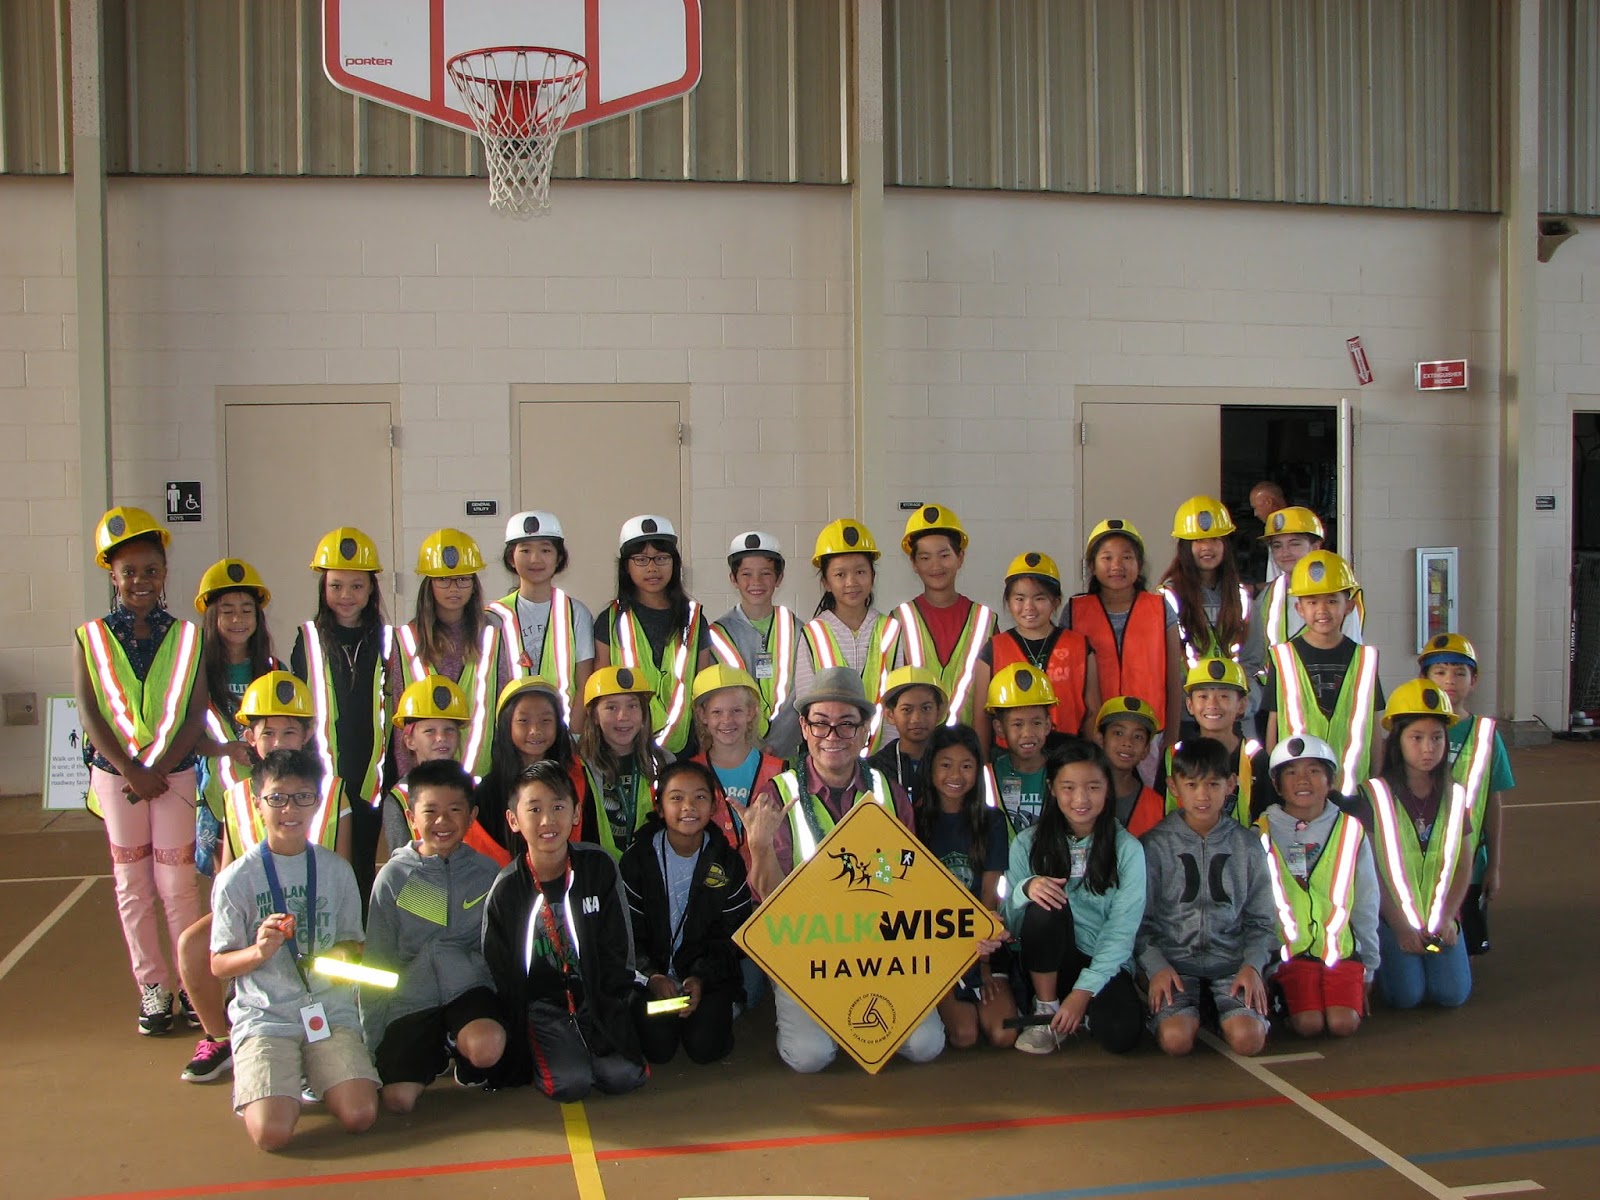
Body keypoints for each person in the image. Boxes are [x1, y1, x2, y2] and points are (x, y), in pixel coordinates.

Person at [744, 667, 945, 1072]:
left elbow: (912, 882)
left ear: (865, 729)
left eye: (847, 724)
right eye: (820, 723)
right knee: (811, 1057)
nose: (832, 735)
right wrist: (760, 848)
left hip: (879, 949)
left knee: (927, 1046)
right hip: (806, 952)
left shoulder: (889, 792)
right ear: (804, 727)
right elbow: (769, 900)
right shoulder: (777, 795)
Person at [75, 506, 207, 1037]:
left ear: (165, 573)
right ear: (112, 576)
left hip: (174, 775)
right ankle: (153, 986)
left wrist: (161, 769)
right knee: (133, 885)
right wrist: (131, 771)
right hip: (118, 778)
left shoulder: (189, 636)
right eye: (128, 571)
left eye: (151, 569)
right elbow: (89, 711)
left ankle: (192, 983)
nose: (140, 580)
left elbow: (196, 712)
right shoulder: (90, 637)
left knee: (177, 885)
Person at [209, 747, 379, 1151]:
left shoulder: (336, 870)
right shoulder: (237, 879)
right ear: (258, 804)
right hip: (266, 1018)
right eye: (277, 798)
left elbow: (354, 942)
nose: (290, 809)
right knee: (271, 1134)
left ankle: (310, 1071)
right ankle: (273, 1075)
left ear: (317, 803)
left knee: (360, 1115)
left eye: (303, 797)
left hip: (328, 1012)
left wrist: (342, 956)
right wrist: (258, 952)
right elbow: (218, 964)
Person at [176, 671, 330, 1085]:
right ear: (250, 737)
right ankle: (219, 1037)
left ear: (307, 735)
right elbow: (228, 872)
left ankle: (313, 1035)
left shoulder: (329, 791)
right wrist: (236, 918)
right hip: (252, 908)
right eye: (268, 733)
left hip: (311, 908)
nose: (278, 743)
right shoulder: (235, 797)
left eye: (289, 732)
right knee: (193, 944)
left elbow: (341, 869)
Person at [482, 760, 648, 1101]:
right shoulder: (507, 889)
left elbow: (620, 945)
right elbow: (498, 965)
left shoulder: (598, 867)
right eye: (534, 809)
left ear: (576, 813)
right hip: (542, 1007)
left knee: (622, 1076)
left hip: (597, 999)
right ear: (514, 820)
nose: (547, 820)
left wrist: (613, 1003)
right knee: (571, 1083)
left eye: (558, 807)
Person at [362, 760, 507, 1112]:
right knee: (398, 1101)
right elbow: (377, 959)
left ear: (471, 817)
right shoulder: (394, 878)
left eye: (454, 810)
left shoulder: (487, 872)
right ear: (411, 817)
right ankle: (437, 1046)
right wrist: (371, 1040)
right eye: (430, 811)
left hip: (469, 987)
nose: (442, 821)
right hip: (412, 996)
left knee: (487, 1047)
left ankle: (462, 1045)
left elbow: (499, 951)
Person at [1003, 742, 1146, 1056]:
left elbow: (1121, 931)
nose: (1081, 799)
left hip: (1102, 959)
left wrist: (1083, 992)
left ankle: (1079, 1009)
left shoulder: (1128, 849)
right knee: (1045, 904)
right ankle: (1046, 1008)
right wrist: (1025, 890)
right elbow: (1010, 926)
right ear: (1052, 789)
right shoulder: (1027, 843)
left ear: (1107, 789)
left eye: (1093, 787)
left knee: (1121, 1035)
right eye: (1068, 787)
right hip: (1048, 962)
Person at [1138, 738, 1277, 1058]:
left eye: (1213, 784)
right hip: (1174, 964)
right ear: (1173, 786)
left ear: (1231, 785)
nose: (1202, 795)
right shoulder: (1154, 845)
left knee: (1249, 1041)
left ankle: (1220, 1008)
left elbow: (1262, 920)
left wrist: (1253, 965)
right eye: (1191, 784)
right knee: (1176, 1041)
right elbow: (1139, 921)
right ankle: (1188, 1008)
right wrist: (1155, 966)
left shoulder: (1246, 845)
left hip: (1231, 962)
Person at [621, 760, 754, 1065]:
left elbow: (733, 935)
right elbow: (626, 933)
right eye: (676, 798)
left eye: (700, 797)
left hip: (706, 976)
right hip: (651, 978)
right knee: (658, 1049)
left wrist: (700, 977)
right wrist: (652, 976)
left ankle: (717, 1009)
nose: (688, 807)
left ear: (714, 806)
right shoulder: (637, 859)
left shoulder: (727, 862)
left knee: (706, 1048)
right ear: (659, 807)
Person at [1356, 679, 1475, 1010]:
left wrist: (1447, 917)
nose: (1428, 748)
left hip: (1439, 916)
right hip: (1393, 919)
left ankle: (1436, 946)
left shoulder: (1455, 795)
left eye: (1437, 738)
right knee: (1406, 996)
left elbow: (1463, 865)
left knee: (1451, 994)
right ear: (1397, 740)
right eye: (1416, 737)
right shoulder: (1374, 795)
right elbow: (1371, 873)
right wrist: (1399, 926)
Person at [291, 527, 393, 897]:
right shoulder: (307, 639)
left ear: (371, 589)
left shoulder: (388, 640)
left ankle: (361, 930)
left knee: (362, 866)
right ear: (323, 588)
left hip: (372, 774)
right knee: (322, 865)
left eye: (356, 586)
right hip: (322, 773)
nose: (346, 595)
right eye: (336, 586)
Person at [1257, 735, 1380, 1039]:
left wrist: (1370, 965)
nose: (1303, 780)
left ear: (1331, 780)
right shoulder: (1261, 831)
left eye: (1314, 771)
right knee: (1308, 1024)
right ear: (1276, 784)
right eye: (1291, 772)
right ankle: (1285, 997)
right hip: (1288, 954)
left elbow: (1367, 900)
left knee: (1343, 1024)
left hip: (1341, 952)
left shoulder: (1350, 829)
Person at [917, 725, 1016, 1049]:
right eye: (945, 765)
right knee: (964, 1035)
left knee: (1004, 1034)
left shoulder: (992, 821)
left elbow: (989, 896)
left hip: (981, 944)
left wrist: (984, 964)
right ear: (930, 768)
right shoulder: (914, 819)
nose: (955, 775)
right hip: (936, 948)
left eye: (966, 766)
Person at [1417, 633, 1513, 955]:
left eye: (1460, 673)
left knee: (1467, 945)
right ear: (1425, 678)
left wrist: (1493, 866)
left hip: (1470, 862)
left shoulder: (1485, 735)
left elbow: (1493, 803)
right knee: (1425, 939)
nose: (1450, 680)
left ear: (1474, 681)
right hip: (1421, 862)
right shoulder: (1411, 731)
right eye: (1440, 672)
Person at [1067, 519, 1184, 780]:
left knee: (1146, 801)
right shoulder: (1075, 611)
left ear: (1139, 564)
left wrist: (1171, 739)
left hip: (1149, 737)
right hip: (1095, 736)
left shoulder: (1160, 608)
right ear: (1092, 565)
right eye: (1107, 557)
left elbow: (1174, 679)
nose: (1117, 565)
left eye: (1127, 557)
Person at [1261, 551, 1385, 795]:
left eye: (1332, 600)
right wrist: (1272, 781)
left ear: (1349, 606)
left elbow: (1374, 727)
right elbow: (1273, 724)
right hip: (1298, 792)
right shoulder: (1283, 658)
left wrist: (1375, 780)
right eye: (1312, 602)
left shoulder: (1365, 660)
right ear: (1299, 608)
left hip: (1352, 792)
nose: (1322, 610)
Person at [392, 528, 506, 781]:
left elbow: (502, 711)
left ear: (474, 585)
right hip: (425, 780)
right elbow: (401, 721)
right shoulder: (406, 639)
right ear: (429, 585)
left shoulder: (493, 637)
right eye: (443, 579)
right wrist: (407, 782)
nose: (454, 588)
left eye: (463, 579)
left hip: (481, 779)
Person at [593, 515, 712, 756]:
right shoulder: (610, 620)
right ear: (626, 566)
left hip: (685, 748)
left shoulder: (694, 619)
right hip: (626, 747)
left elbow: (703, 690)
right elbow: (600, 691)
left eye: (661, 558)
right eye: (641, 559)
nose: (652, 568)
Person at [192, 558, 279, 878]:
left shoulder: (274, 669)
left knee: (269, 879)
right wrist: (225, 749)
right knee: (227, 884)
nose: (237, 619)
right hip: (219, 799)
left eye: (246, 610)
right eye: (227, 611)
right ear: (212, 616)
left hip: (269, 795)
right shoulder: (195, 672)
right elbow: (185, 736)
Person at [793, 518, 902, 745]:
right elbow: (807, 703)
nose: (851, 582)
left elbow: (899, 697)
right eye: (840, 575)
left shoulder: (891, 629)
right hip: (832, 750)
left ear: (872, 576)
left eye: (860, 572)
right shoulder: (813, 633)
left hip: (884, 751)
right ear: (826, 582)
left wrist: (890, 751)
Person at [487, 510, 595, 735]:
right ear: (511, 558)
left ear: (559, 557)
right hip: (508, 736)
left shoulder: (576, 612)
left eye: (545, 550)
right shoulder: (494, 616)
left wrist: (573, 736)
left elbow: (584, 681)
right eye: (525, 550)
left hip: (563, 734)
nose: (535, 559)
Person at [974, 552, 1097, 743]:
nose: (1029, 606)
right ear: (1009, 602)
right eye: (1019, 598)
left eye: (1039, 598)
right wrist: (982, 759)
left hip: (1068, 752)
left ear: (1055, 602)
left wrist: (1091, 756)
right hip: (1011, 755)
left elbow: (1092, 712)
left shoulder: (1080, 647)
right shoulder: (993, 650)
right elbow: (981, 717)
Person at [893, 504, 997, 729]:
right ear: (913, 563)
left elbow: (990, 698)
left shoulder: (986, 620)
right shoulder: (898, 621)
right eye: (925, 557)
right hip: (916, 745)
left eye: (944, 555)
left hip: (969, 745)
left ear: (960, 557)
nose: (935, 565)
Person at [708, 531, 802, 761]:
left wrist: (776, 745)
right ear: (733, 579)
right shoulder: (716, 635)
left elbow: (799, 695)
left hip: (785, 756)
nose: (756, 582)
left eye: (766, 573)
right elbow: (715, 700)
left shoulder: (797, 629)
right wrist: (748, 745)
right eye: (746, 574)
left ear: (779, 578)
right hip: (735, 755)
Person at [473, 676, 588, 865]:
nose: (535, 730)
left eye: (545, 720)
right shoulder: (487, 793)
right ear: (507, 725)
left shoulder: (577, 780)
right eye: (523, 721)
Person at [688, 663, 782, 865]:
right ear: (703, 716)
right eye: (717, 712)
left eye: (736, 711)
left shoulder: (779, 771)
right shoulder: (689, 773)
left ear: (751, 712)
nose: (727, 720)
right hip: (708, 878)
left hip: (765, 877)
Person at [1160, 658, 1269, 826]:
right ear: (1190, 705)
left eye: (1224, 696)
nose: (1212, 704)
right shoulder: (1174, 756)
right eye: (1203, 696)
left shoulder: (1255, 758)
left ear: (1241, 705)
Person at [577, 665, 669, 861]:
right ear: (594, 716)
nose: (623, 716)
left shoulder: (665, 763)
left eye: (632, 706)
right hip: (596, 869)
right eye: (611, 707)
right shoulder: (579, 767)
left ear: (644, 713)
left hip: (649, 869)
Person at [1160, 497, 1254, 679]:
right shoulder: (1169, 596)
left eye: (1215, 539)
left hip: (1234, 693)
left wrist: (1240, 693)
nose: (1207, 547)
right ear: (1185, 547)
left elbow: (1252, 657)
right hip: (1188, 693)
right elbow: (1166, 659)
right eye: (1198, 540)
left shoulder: (1240, 595)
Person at [1248, 507, 1365, 652]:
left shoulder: (1338, 591)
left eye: (1294, 544)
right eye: (1277, 546)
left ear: (1315, 547)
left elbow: (1351, 651)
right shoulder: (1268, 595)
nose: (1285, 552)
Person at [380, 675, 470, 856]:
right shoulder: (399, 799)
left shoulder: (473, 788)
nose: (441, 737)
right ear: (410, 741)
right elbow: (401, 866)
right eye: (430, 731)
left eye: (449, 729)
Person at [986, 664, 1068, 837]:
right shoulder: (987, 776)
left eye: (1036, 723)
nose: (1028, 733)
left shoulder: (1063, 773)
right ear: (999, 728)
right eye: (1017, 724)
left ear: (1047, 725)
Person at [866, 666, 947, 795]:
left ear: (939, 712)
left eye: (926, 708)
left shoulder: (952, 762)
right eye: (906, 710)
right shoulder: (874, 768)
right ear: (890, 715)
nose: (917, 718)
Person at [1097, 697, 1165, 838]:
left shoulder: (1156, 805)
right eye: (1118, 733)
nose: (1127, 742)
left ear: (1146, 750)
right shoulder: (1080, 794)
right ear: (1101, 740)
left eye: (1138, 736)